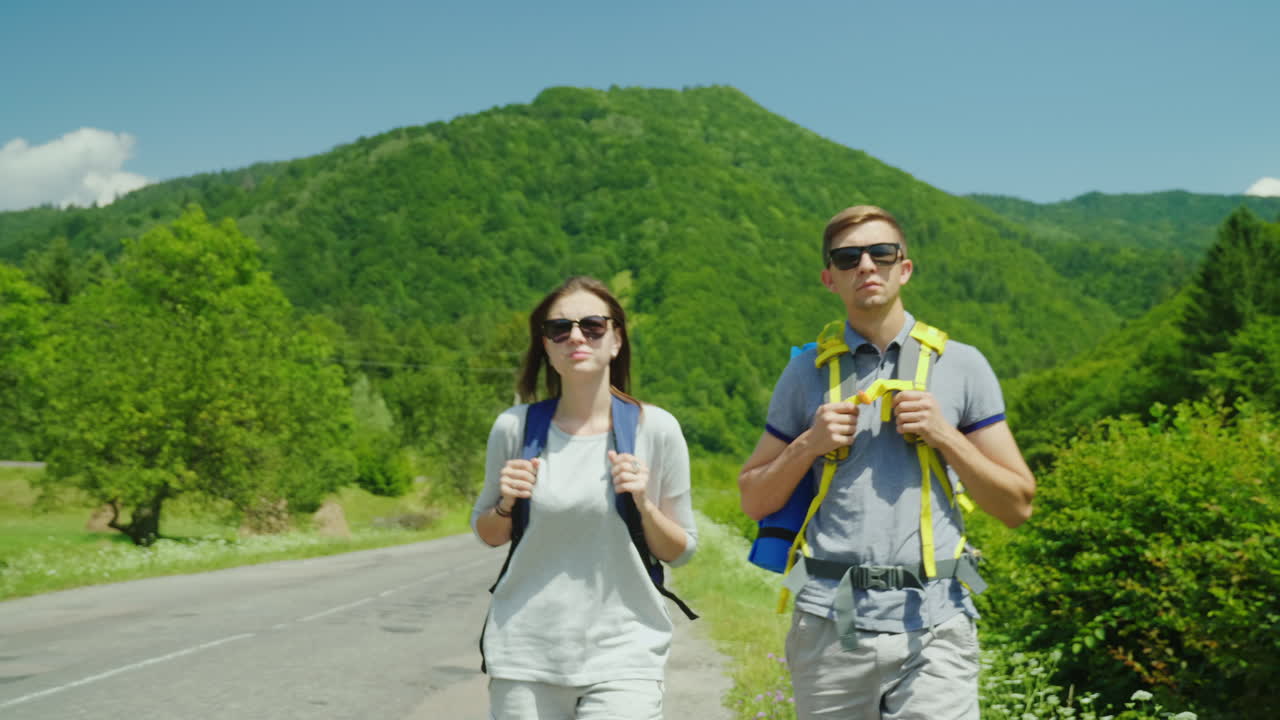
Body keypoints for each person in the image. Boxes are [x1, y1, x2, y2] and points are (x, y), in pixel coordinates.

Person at [738, 205, 1036, 719]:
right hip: (829, 622)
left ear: (905, 267)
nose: (867, 267)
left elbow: (1017, 505)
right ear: (830, 278)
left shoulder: (962, 366)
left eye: (881, 253)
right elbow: (754, 497)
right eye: (849, 257)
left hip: (936, 622)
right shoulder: (804, 373)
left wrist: (946, 436)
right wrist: (808, 443)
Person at [472, 275, 698, 720]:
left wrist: (643, 504)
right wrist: (506, 504)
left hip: (625, 653)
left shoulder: (656, 429)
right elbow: (489, 533)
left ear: (616, 340)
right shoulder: (515, 429)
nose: (576, 336)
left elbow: (682, 550)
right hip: (525, 653)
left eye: (593, 326)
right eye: (561, 329)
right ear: (548, 347)